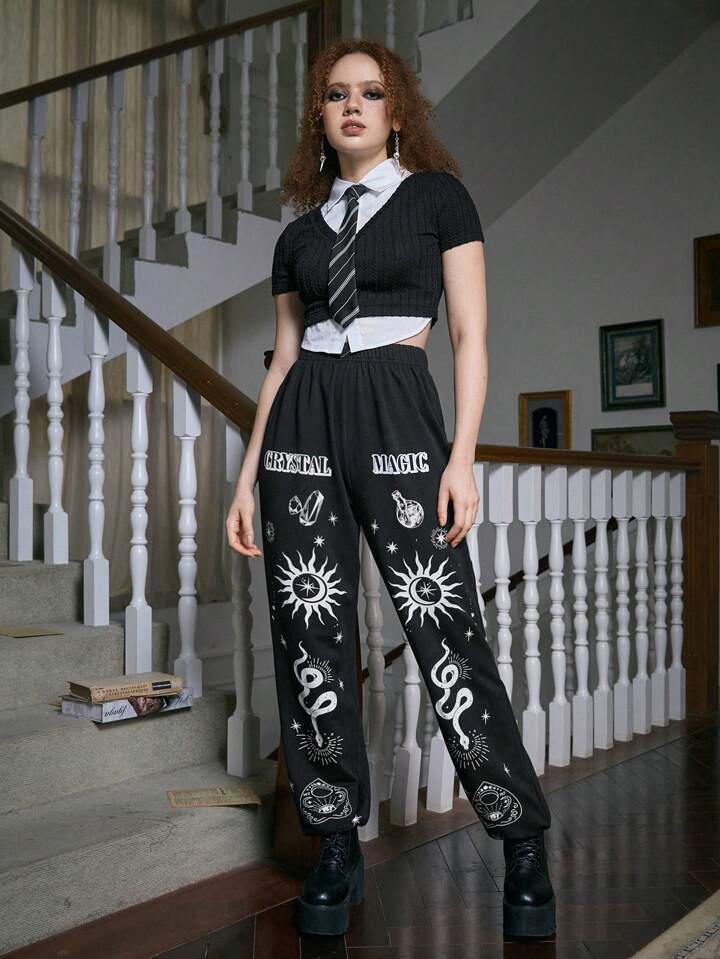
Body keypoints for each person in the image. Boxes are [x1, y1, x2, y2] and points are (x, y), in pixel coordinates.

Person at [226, 37, 556, 941]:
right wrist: (247, 478)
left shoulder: (439, 199)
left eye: (371, 93)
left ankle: (521, 837)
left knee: (444, 625)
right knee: (309, 633)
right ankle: (334, 839)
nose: (353, 106)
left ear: (396, 110)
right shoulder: (298, 236)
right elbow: (282, 360)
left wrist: (462, 456)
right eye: (337, 94)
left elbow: (470, 337)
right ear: (320, 115)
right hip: (303, 419)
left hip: (397, 404)